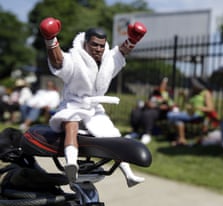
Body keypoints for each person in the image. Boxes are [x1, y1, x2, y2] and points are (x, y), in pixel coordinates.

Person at [39, 17, 147, 187]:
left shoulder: (108, 60)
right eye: (94, 44)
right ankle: (71, 163)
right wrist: (50, 39)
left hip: (95, 108)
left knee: (113, 135)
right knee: (71, 124)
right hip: (74, 104)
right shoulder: (75, 59)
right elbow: (59, 61)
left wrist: (133, 39)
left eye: (101, 45)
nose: (98, 49)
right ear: (85, 44)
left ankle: (128, 174)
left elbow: (122, 51)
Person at [167, 78, 216, 146]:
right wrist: (183, 96)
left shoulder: (206, 93)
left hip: (198, 115)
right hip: (189, 113)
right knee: (177, 120)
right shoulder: (192, 92)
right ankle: (181, 140)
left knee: (170, 115)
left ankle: (179, 138)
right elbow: (188, 102)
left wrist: (198, 108)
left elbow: (211, 108)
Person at [126, 77, 175, 144]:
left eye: (163, 84)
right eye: (160, 83)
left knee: (148, 114)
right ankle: (135, 132)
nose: (161, 85)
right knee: (136, 112)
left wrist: (158, 106)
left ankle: (147, 134)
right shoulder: (154, 92)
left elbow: (171, 105)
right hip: (148, 108)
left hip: (160, 111)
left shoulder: (169, 93)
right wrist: (147, 103)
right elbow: (148, 101)